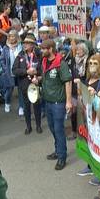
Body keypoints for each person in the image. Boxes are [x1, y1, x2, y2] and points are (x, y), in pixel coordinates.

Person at [35, 39, 72, 171]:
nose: (41, 51)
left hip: (58, 103)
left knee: (58, 130)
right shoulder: (44, 62)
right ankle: (58, 150)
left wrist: (68, 101)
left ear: (50, 49)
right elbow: (45, 78)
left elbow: (68, 82)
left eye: (44, 48)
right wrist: (37, 79)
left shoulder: (60, 64)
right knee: (52, 127)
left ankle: (62, 156)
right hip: (48, 101)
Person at [12, 35, 42, 135]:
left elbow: (43, 69)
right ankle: (28, 126)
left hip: (35, 84)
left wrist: (38, 76)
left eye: (28, 43)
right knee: (26, 107)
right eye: (24, 43)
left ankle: (38, 125)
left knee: (37, 106)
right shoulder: (20, 55)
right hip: (24, 85)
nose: (25, 45)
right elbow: (14, 70)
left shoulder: (38, 54)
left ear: (33, 45)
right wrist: (26, 71)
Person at [0, 30, 22, 113]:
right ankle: (7, 103)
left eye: (14, 36)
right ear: (8, 37)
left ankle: (21, 107)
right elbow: (1, 60)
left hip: (19, 71)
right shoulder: (5, 48)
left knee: (20, 90)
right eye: (10, 36)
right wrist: (5, 69)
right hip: (9, 72)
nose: (12, 38)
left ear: (16, 37)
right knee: (9, 89)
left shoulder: (20, 46)